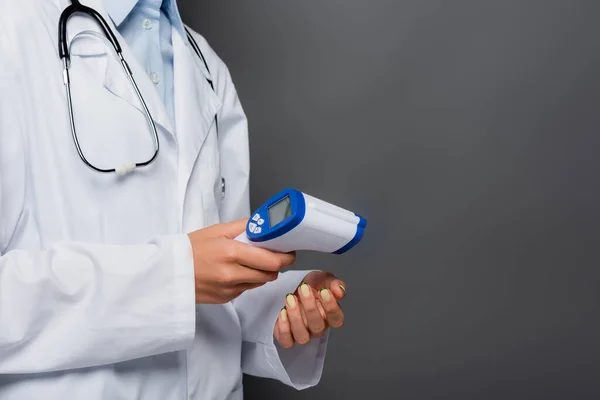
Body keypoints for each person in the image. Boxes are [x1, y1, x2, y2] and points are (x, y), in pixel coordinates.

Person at [0, 0, 348, 398]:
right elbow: (186, 277)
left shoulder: (204, 66)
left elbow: (218, 289)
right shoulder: (11, 33)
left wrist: (278, 309)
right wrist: (175, 276)